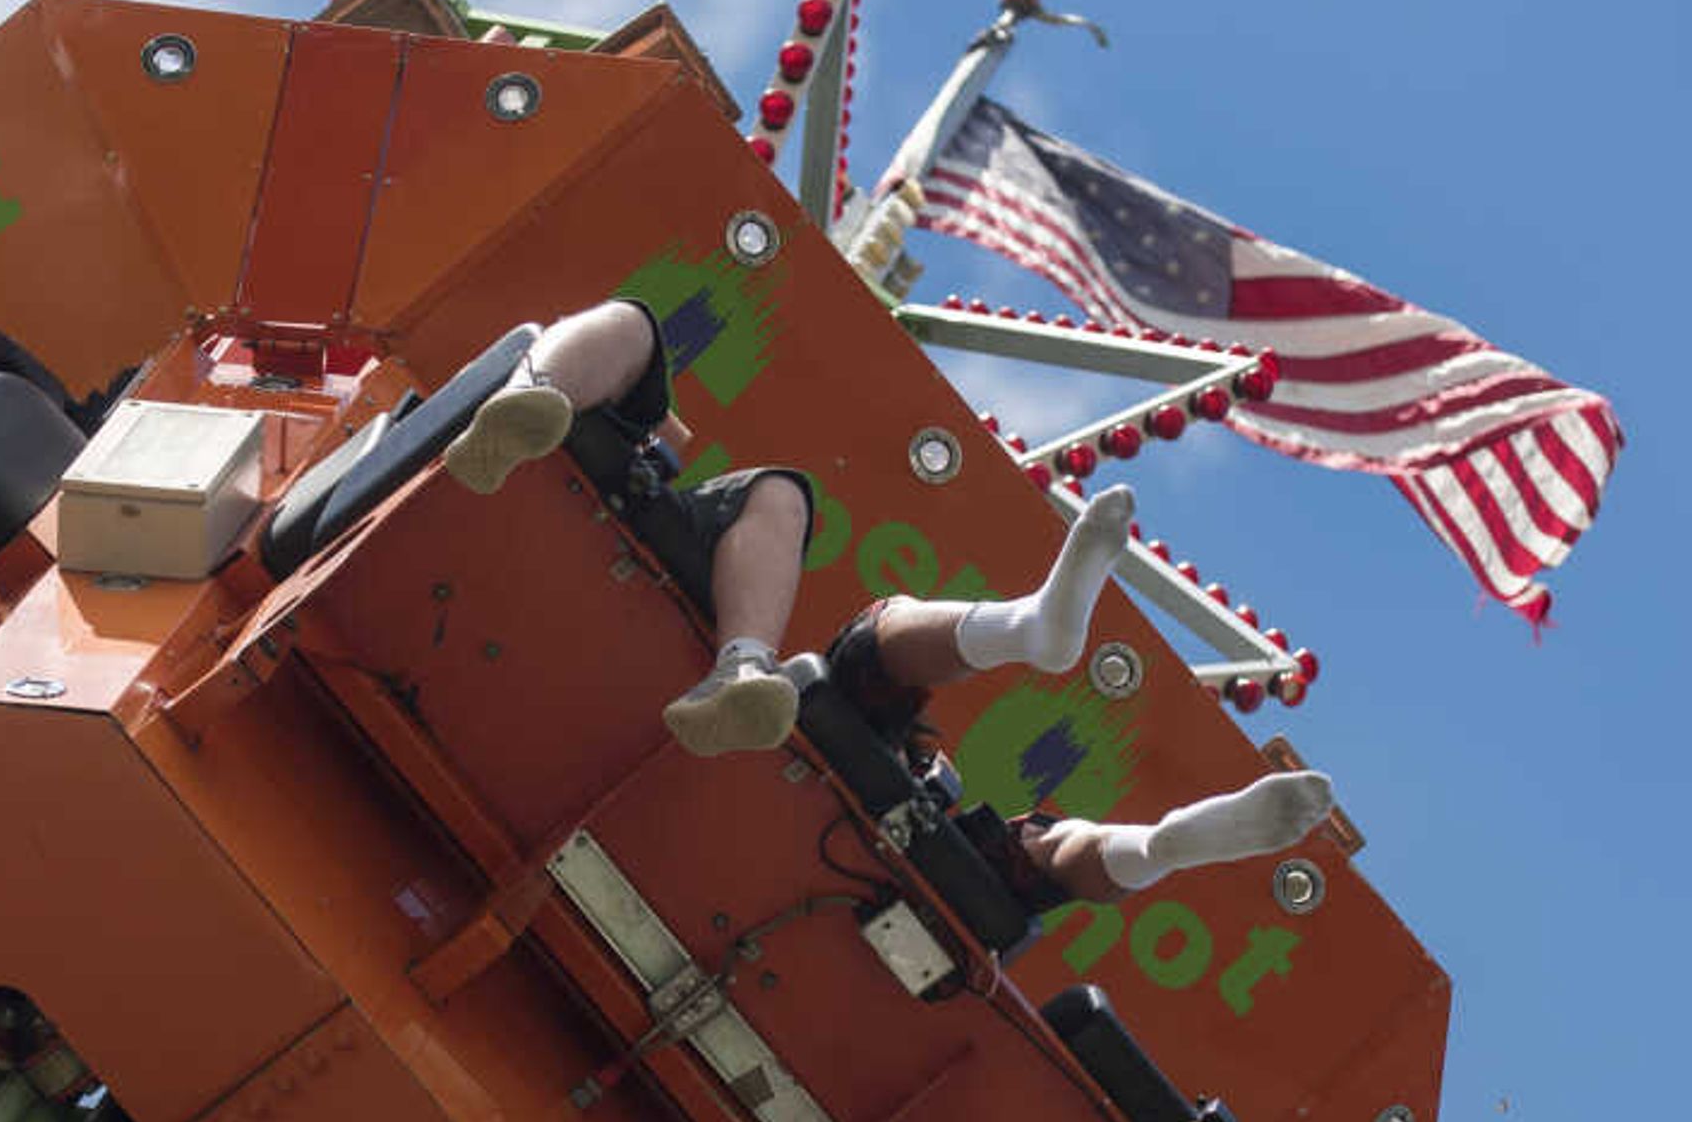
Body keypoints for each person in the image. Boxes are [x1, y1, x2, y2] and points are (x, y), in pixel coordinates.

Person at [448, 299, 1336, 908]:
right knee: (850, 620)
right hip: (590, 453)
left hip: (728, 599)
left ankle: (751, 663)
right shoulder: (662, 444)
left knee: (803, 543)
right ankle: (1156, 837)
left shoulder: (693, 476)